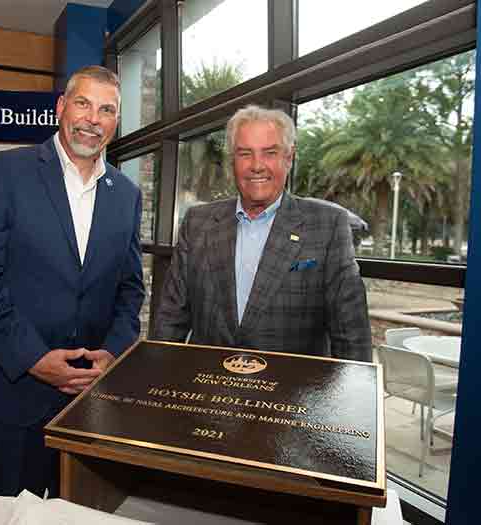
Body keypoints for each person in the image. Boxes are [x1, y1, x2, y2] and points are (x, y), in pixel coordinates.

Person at [0, 65, 144, 498]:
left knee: (73, 509)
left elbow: (130, 289)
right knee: (8, 511)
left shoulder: (127, 194)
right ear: (61, 107)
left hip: (87, 396)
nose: (92, 119)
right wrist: (33, 358)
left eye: (106, 109)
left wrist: (113, 353)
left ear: (116, 122)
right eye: (83, 103)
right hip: (12, 391)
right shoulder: (6, 173)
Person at [153, 105, 371, 362]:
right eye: (245, 154)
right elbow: (171, 320)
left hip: (292, 395)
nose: (257, 166)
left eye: (269, 153)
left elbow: (351, 335)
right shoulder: (197, 222)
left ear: (288, 159)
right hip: (208, 391)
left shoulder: (328, 225)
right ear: (233, 160)